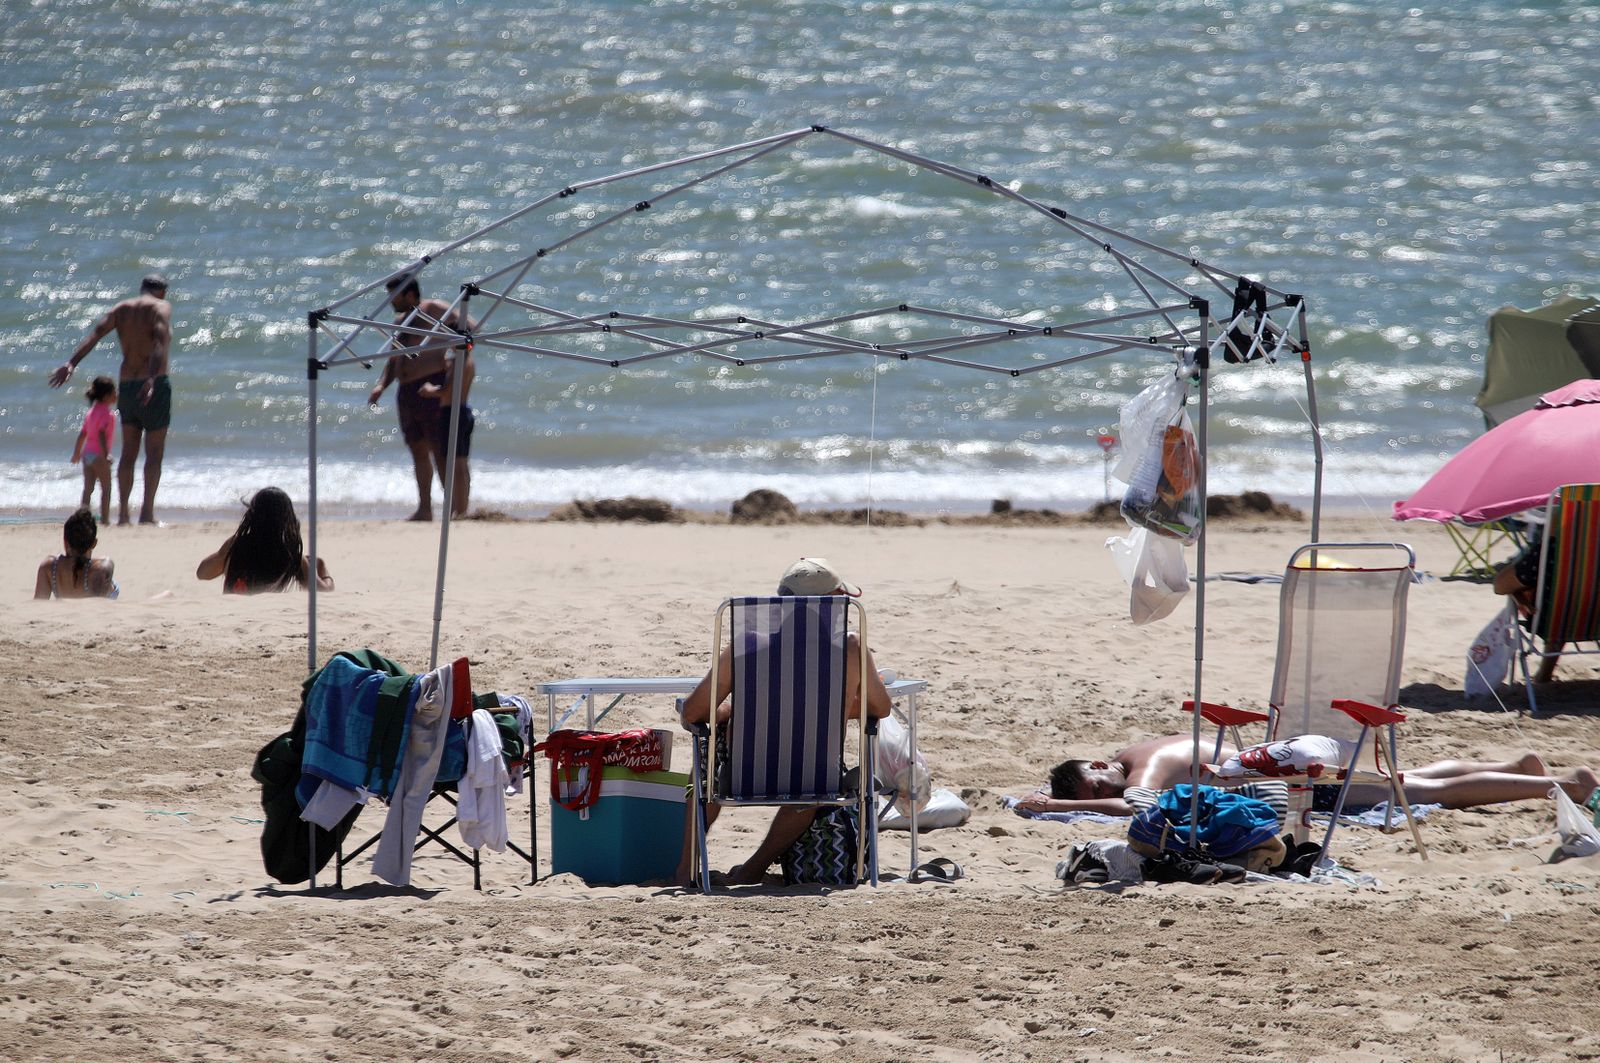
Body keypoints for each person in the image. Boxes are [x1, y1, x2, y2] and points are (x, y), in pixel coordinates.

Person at [674, 557, 893, 888]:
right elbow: (881, 708)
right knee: (813, 770)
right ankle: (753, 869)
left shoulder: (746, 645)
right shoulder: (849, 648)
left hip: (745, 777)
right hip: (818, 781)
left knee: (704, 754)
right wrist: (839, 702)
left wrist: (732, 711)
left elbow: (692, 714)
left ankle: (686, 870)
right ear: (834, 604)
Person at [1016, 733, 1599, 815]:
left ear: (1099, 766)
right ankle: (1515, 768)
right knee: (1404, 776)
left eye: (1096, 785)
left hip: (1295, 774)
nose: (1102, 791)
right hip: (1289, 754)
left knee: (1425, 793)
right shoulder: (1137, 747)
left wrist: (1064, 806)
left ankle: (1562, 785)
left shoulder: (1146, 765)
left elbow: (1137, 807)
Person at [48, 273, 172, 526]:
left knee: (128, 452)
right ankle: (146, 515)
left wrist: (71, 363)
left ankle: (123, 516)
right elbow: (159, 342)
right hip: (154, 383)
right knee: (154, 451)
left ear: (142, 288)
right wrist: (151, 380)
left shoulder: (121, 309)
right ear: (162, 292)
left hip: (126, 384)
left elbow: (95, 334)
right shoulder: (161, 307)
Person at [365, 275, 476, 521]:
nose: (391, 301)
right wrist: (381, 386)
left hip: (431, 385)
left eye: (395, 296)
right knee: (417, 450)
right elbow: (394, 360)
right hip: (406, 392)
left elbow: (470, 326)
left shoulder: (432, 309)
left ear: (411, 294)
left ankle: (454, 507)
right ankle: (425, 508)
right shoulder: (399, 321)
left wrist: (455, 352)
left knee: (440, 451)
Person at [196, 487, 334, 594]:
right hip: (265, 611)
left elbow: (202, 573)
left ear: (253, 514)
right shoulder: (291, 554)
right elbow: (323, 591)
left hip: (233, 611)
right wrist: (322, 570)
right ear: (288, 518)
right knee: (318, 562)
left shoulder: (237, 544)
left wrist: (223, 556)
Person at [1493, 538, 1559, 682]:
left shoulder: (1553, 548)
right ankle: (1545, 673)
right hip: (1592, 622)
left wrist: (1517, 593)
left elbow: (1499, 586)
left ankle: (1544, 675)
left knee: (1558, 606)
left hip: (1551, 619)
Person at [34, 508, 118, 600]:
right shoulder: (101, 569)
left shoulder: (49, 567)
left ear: (66, 542)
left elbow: (39, 603)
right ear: (94, 543)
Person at [71, 375, 117, 524]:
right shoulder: (107, 414)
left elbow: (83, 434)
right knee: (106, 489)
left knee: (88, 489)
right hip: (99, 455)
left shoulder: (90, 412)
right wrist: (107, 454)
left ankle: (83, 519)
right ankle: (105, 520)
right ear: (106, 396)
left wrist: (77, 453)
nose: (116, 395)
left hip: (87, 455)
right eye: (114, 393)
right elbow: (102, 434)